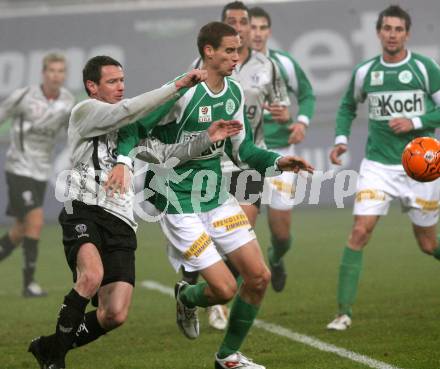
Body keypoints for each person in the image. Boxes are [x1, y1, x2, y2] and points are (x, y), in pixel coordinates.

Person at [117, 22, 313, 369]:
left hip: (216, 197)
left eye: (238, 50)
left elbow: (243, 151)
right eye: (229, 50)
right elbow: (135, 127)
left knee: (259, 278)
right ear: (208, 52)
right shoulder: (184, 90)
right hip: (177, 200)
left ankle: (228, 357)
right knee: (223, 290)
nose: (237, 57)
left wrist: (280, 161)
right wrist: (122, 162)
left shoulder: (235, 93)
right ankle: (188, 296)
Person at [27, 55, 241, 369]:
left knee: (114, 314)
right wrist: (178, 85)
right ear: (92, 86)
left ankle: (48, 346)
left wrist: (206, 139)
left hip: (122, 220)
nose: (120, 87)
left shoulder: (132, 127)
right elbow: (129, 109)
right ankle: (56, 360)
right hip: (83, 209)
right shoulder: (84, 111)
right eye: (112, 81)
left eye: (122, 81)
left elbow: (166, 154)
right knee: (91, 277)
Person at [326, 5, 440, 331]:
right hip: (378, 165)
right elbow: (348, 106)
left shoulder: (424, 68)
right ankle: (343, 313)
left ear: (407, 34)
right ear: (378, 33)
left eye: (398, 29)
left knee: (428, 244)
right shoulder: (365, 72)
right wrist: (340, 139)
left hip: (422, 168)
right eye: (386, 28)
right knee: (360, 231)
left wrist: (416, 121)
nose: (392, 34)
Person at [183, 0, 291, 330]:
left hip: (246, 159)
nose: (241, 27)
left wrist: (286, 117)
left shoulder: (267, 66)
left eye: (244, 21)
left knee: (243, 225)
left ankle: (218, 299)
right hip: (210, 165)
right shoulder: (199, 69)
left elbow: (281, 104)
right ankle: (204, 287)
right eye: (233, 22)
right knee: (212, 240)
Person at [249, 6, 316, 292]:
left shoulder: (283, 64)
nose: (257, 33)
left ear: (269, 32)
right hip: (245, 157)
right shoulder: (232, 66)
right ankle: (230, 295)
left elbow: (308, 94)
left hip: (280, 155)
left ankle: (275, 258)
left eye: (263, 27)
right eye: (252, 27)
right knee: (238, 230)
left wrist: (300, 122)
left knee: (282, 235)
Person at [0, 53, 75, 297]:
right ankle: (29, 284)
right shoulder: (25, 96)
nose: (56, 75)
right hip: (19, 167)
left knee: (21, 229)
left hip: (42, 171)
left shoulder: (67, 101)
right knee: (36, 220)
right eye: (52, 70)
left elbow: (73, 132)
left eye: (61, 71)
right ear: (43, 73)